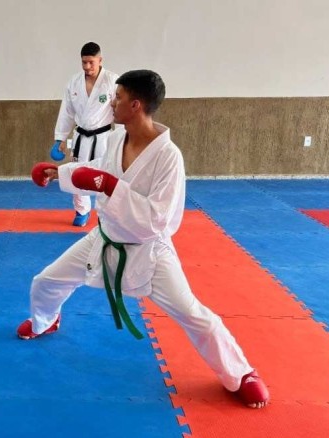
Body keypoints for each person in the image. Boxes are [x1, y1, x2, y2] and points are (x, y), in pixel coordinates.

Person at [21, 70, 269, 408]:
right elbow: (96, 170)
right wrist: (59, 172)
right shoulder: (114, 140)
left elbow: (159, 219)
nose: (111, 104)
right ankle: (45, 321)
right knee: (45, 281)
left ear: (135, 105)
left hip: (148, 252)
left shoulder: (169, 158)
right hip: (104, 238)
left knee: (194, 315)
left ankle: (240, 374)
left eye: (118, 98)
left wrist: (111, 187)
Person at [49, 42, 119, 227]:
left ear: (100, 60)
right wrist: (60, 139)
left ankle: (107, 214)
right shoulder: (74, 82)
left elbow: (120, 110)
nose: (87, 67)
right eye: (84, 63)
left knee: (106, 174)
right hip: (81, 137)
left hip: (103, 137)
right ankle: (82, 210)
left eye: (91, 62)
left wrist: (124, 137)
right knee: (78, 173)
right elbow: (67, 112)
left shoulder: (112, 81)